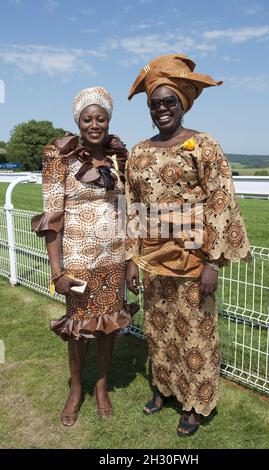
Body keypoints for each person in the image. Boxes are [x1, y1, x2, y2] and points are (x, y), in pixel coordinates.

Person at [125, 55, 251, 437]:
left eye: (169, 102)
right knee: (160, 328)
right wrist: (131, 257)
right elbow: (131, 206)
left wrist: (213, 262)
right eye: (155, 104)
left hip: (195, 257)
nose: (161, 109)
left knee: (196, 333)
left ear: (182, 103)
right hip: (153, 258)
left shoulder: (204, 146)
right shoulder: (139, 151)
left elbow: (221, 202)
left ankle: (194, 405)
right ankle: (164, 389)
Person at [32, 86, 138, 426]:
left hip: (114, 259)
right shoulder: (58, 155)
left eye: (101, 118)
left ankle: (101, 384)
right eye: (87, 118)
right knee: (78, 328)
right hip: (77, 261)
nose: (95, 124)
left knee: (108, 326)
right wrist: (57, 269)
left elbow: (129, 209)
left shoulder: (119, 157)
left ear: (109, 120)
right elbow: (52, 216)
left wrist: (132, 259)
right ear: (77, 120)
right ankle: (76, 388)